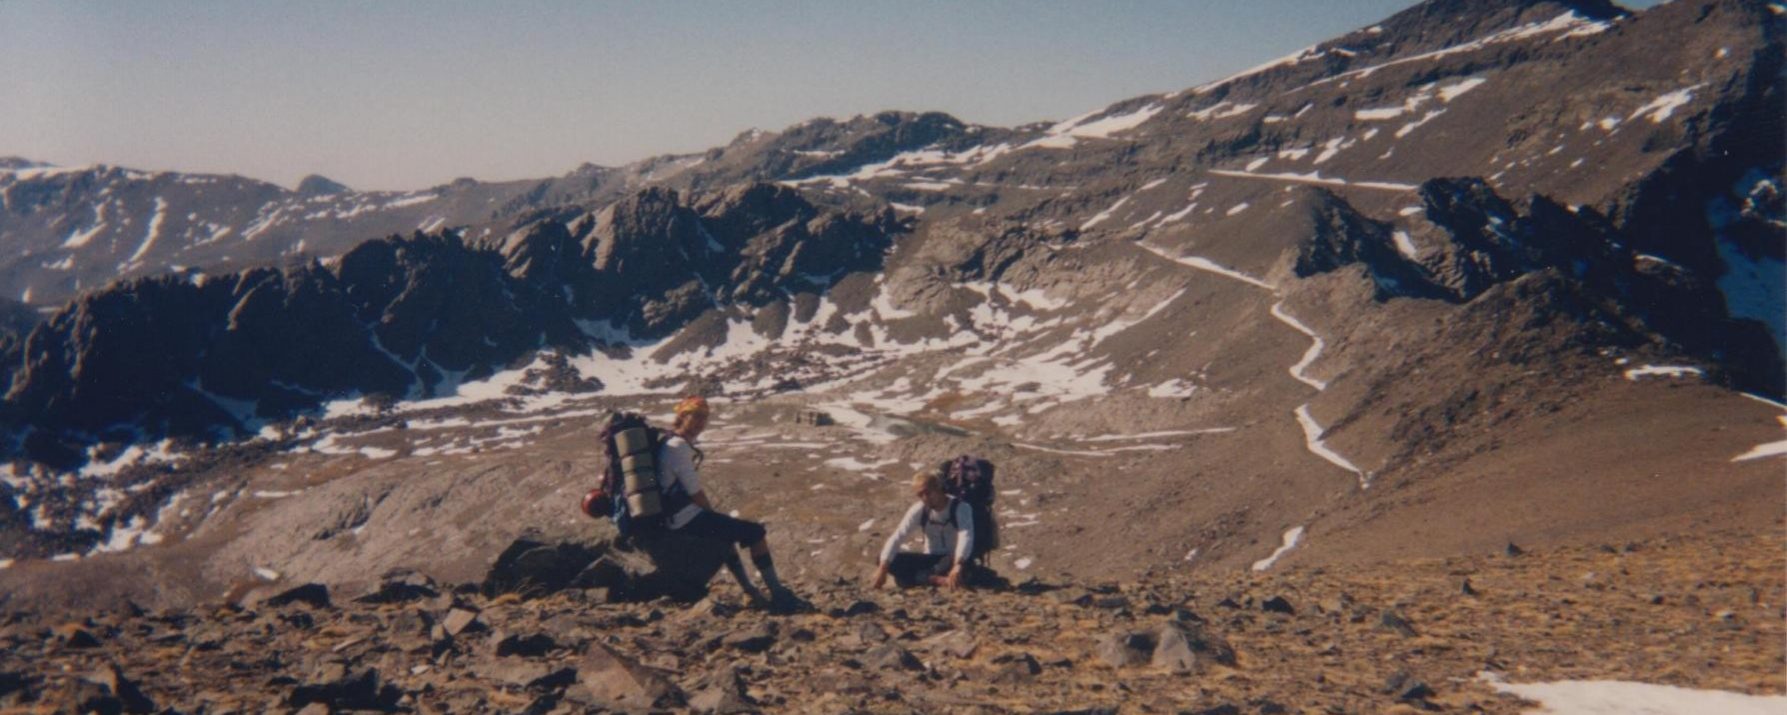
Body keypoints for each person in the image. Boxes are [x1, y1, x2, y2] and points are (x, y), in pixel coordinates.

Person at [656, 395, 800, 609]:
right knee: (755, 533)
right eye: (695, 417)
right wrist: (711, 514)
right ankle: (777, 593)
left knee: (726, 534)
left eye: (704, 418)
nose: (700, 423)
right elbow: (695, 492)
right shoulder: (678, 447)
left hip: (676, 515)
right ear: (682, 416)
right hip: (683, 518)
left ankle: (750, 592)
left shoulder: (672, 443)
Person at [872, 472, 979, 590]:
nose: (925, 498)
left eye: (928, 492)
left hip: (954, 558)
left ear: (938, 488)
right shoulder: (919, 509)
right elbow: (898, 536)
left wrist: (958, 564)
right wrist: (883, 568)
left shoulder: (961, 507)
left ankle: (923, 579)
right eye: (920, 495)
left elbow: (966, 535)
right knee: (883, 558)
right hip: (930, 559)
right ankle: (937, 579)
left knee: (966, 570)